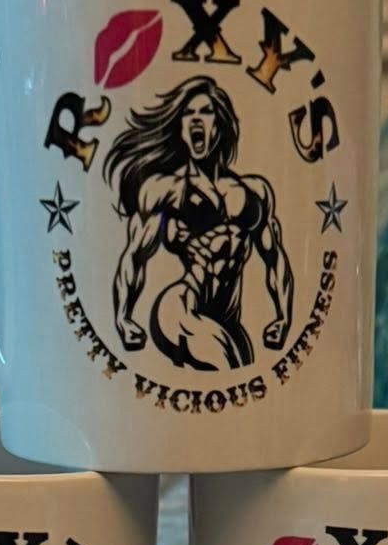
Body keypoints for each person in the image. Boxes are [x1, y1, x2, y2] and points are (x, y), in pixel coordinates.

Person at [104, 75, 293, 370]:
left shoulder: (254, 192)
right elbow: (134, 256)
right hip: (180, 307)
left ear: (219, 123)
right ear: (180, 128)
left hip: (229, 320)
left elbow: (274, 256)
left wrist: (283, 316)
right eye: (188, 115)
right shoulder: (166, 190)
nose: (196, 120)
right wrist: (123, 318)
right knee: (224, 365)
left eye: (205, 112)